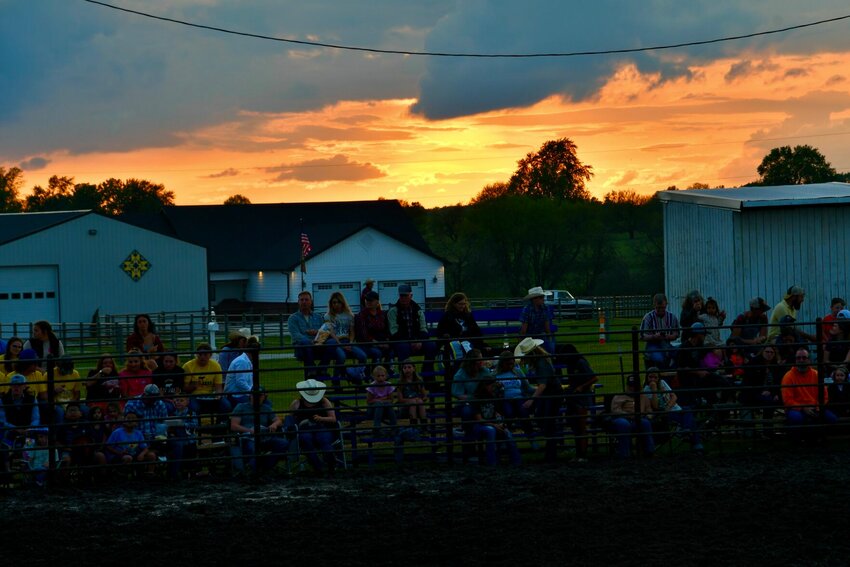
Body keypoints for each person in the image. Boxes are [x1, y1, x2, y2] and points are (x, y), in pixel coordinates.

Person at [517, 338, 562, 463]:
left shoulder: (541, 363)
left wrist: (531, 400)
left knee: (546, 420)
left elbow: (542, 385)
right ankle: (551, 449)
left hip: (552, 394)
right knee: (543, 418)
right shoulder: (542, 360)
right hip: (552, 393)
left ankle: (551, 453)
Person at [229, 388, 289, 474]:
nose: (257, 397)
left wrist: (274, 424)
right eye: (255, 395)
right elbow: (234, 426)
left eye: (260, 395)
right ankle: (255, 469)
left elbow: (278, 420)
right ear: (250, 395)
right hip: (248, 438)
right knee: (253, 448)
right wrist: (249, 430)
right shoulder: (241, 407)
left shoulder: (266, 408)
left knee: (283, 443)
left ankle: (264, 467)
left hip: (264, 437)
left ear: (264, 397)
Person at [781, 346, 837, 439]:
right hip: (796, 409)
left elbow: (825, 395)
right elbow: (787, 400)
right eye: (798, 358)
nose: (801, 360)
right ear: (795, 360)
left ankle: (820, 439)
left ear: (809, 360)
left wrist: (817, 407)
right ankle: (797, 441)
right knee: (797, 418)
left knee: (832, 419)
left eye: (804, 357)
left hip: (815, 407)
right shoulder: (788, 376)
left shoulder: (816, 374)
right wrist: (803, 408)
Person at [643, 367, 703, 451]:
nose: (653, 379)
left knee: (688, 410)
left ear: (659, 378)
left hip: (674, 408)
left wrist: (669, 406)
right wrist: (654, 390)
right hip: (665, 413)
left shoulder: (662, 383)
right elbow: (655, 406)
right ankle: (696, 443)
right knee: (690, 420)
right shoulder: (646, 389)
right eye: (650, 377)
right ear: (647, 377)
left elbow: (674, 396)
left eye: (655, 377)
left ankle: (686, 431)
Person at [387, 284, 438, 375]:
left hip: (417, 340)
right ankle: (404, 377)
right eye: (401, 295)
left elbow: (423, 328)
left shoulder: (418, 310)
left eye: (405, 295)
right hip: (401, 341)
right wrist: (411, 341)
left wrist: (419, 341)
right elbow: (394, 332)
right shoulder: (393, 311)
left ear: (411, 295)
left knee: (432, 346)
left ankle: (427, 373)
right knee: (403, 348)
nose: (403, 298)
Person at [289, 379, 338, 474]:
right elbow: (290, 420)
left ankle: (330, 463)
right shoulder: (296, 403)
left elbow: (333, 419)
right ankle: (317, 466)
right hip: (305, 430)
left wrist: (321, 418)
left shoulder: (324, 402)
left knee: (323, 439)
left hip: (322, 428)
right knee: (306, 439)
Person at [559, 344, 598, 462]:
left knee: (580, 427)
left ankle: (582, 454)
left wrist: (581, 387)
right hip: (575, 397)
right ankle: (579, 454)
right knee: (576, 426)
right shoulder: (572, 364)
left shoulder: (580, 363)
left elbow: (594, 378)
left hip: (581, 398)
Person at [471, 379, 521, 466]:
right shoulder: (476, 399)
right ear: (485, 386)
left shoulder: (494, 397)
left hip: (493, 424)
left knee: (507, 433)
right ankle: (492, 462)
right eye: (492, 386)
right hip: (480, 425)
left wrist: (500, 423)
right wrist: (494, 425)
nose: (494, 388)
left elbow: (498, 414)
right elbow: (479, 419)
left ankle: (516, 462)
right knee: (491, 431)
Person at [324, 291, 368, 384]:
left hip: (348, 341)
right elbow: (331, 332)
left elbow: (352, 331)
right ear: (331, 304)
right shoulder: (328, 316)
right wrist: (340, 345)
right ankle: (336, 381)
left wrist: (350, 342)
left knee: (362, 356)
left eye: (338, 302)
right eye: (334, 302)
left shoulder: (349, 315)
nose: (336, 305)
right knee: (341, 356)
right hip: (336, 342)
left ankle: (356, 376)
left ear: (342, 302)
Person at [0, 374, 40, 474]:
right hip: (9, 434)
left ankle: (27, 474)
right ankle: (8, 473)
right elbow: (2, 421)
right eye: (13, 385)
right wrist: (16, 429)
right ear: (10, 386)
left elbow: (36, 418)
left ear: (24, 386)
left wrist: (29, 429)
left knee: (30, 447)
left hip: (28, 433)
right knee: (4, 448)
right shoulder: (2, 400)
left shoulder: (32, 399)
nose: (16, 387)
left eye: (19, 385)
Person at [609, 374, 655, 458]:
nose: (632, 388)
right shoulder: (619, 397)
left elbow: (649, 410)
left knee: (645, 423)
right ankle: (625, 454)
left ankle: (649, 451)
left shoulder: (643, 397)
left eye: (634, 386)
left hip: (637, 420)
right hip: (622, 420)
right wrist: (629, 415)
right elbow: (615, 410)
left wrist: (649, 415)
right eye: (630, 386)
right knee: (624, 424)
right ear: (627, 385)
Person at [494, 351, 534, 437]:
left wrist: (538, 391)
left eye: (512, 364)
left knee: (523, 412)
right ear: (502, 363)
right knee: (508, 413)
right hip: (505, 399)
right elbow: (492, 392)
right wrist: (497, 388)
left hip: (519, 397)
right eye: (508, 364)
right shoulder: (495, 375)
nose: (510, 366)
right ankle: (505, 435)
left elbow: (527, 387)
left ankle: (530, 436)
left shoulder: (517, 372)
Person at [287, 291, 328, 377]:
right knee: (305, 342)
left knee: (332, 342)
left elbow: (324, 332)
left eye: (306, 299)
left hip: (318, 345)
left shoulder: (318, 317)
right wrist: (310, 341)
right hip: (302, 347)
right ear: (298, 302)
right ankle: (311, 368)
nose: (304, 302)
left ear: (311, 301)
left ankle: (322, 368)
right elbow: (296, 335)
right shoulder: (293, 318)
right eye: (302, 300)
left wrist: (317, 334)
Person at [183, 343, 226, 417]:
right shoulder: (188, 366)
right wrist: (193, 386)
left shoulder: (216, 366)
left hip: (211, 395)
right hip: (194, 396)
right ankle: (196, 426)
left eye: (205, 354)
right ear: (196, 354)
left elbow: (218, 387)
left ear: (210, 355)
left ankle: (220, 424)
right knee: (195, 408)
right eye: (200, 354)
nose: (202, 357)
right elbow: (184, 389)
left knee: (226, 406)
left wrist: (218, 396)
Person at [639, 293, 680, 369]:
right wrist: (654, 336)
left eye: (663, 308)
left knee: (681, 352)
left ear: (666, 305)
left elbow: (676, 333)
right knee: (659, 358)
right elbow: (642, 336)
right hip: (653, 345)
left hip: (667, 344)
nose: (661, 310)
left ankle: (671, 374)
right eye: (658, 308)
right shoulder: (648, 317)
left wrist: (668, 336)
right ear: (654, 306)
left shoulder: (672, 317)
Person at [354, 290, 392, 368]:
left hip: (382, 342)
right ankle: (375, 374)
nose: (368, 302)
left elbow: (387, 330)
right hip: (366, 344)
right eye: (367, 300)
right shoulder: (361, 315)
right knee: (377, 353)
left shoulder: (382, 314)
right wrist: (378, 344)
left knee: (391, 351)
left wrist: (387, 341)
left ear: (377, 301)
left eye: (371, 300)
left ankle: (387, 372)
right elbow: (364, 335)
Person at [224, 336, 260, 405]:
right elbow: (240, 382)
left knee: (263, 400)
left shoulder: (246, 361)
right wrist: (252, 393)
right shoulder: (242, 362)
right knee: (260, 402)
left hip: (240, 393)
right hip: (235, 395)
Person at [518, 286, 555, 353]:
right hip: (529, 336)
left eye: (543, 297)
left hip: (541, 334)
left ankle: (550, 358)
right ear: (534, 299)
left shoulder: (545, 308)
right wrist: (521, 342)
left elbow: (547, 327)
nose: (543, 299)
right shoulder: (527, 310)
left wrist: (549, 337)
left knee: (550, 349)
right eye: (541, 297)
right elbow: (524, 330)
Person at [396, 359, 428, 429]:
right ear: (402, 370)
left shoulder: (418, 381)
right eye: (405, 368)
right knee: (413, 402)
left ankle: (424, 426)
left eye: (409, 367)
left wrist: (422, 399)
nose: (407, 369)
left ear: (414, 369)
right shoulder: (400, 382)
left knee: (419, 401)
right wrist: (410, 400)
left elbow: (425, 395)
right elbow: (400, 400)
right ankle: (414, 427)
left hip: (418, 405)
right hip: (405, 408)